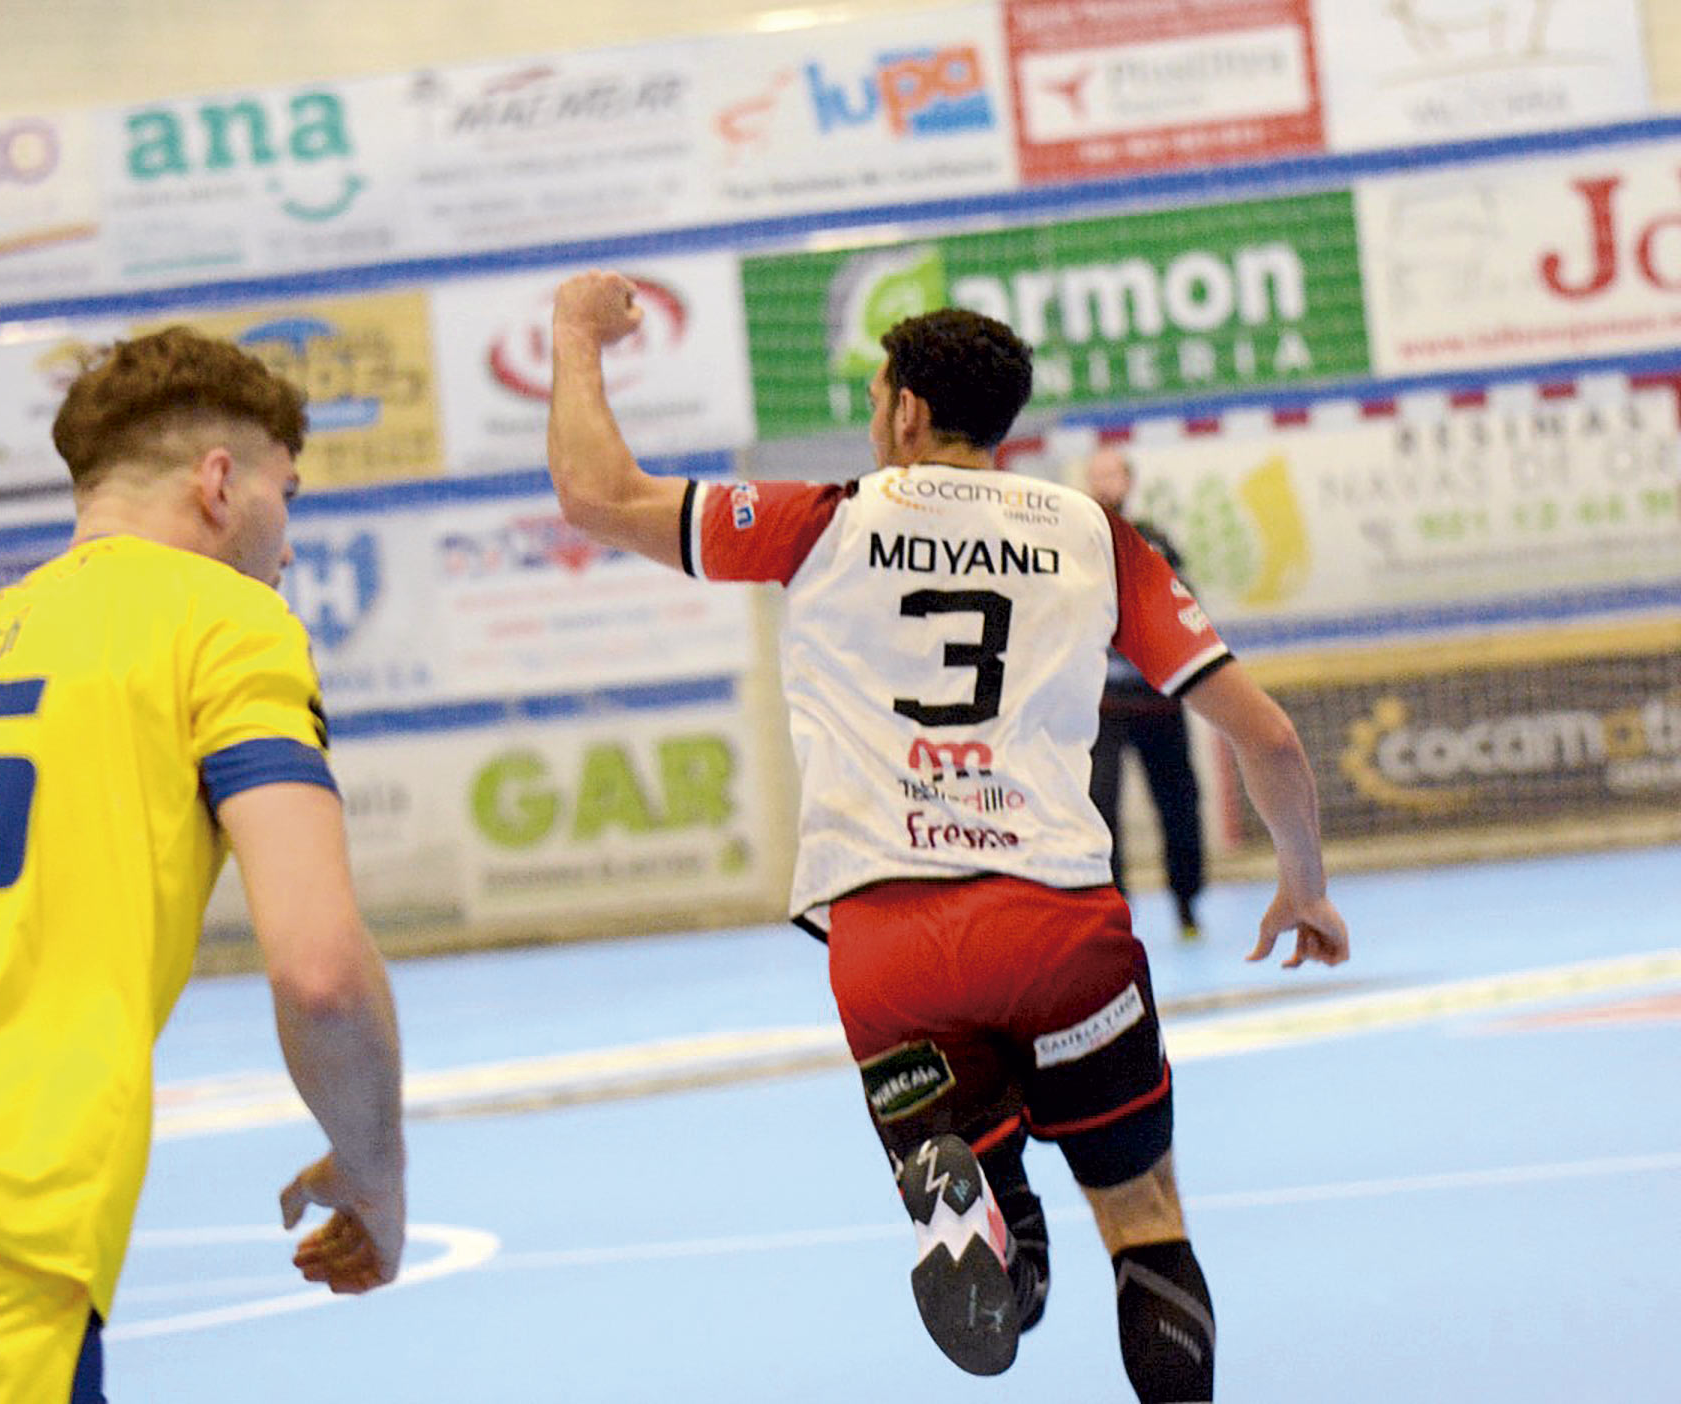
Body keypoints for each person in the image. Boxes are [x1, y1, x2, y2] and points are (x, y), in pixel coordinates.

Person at [545, 271, 1348, 1400]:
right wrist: (1302, 886)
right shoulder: (1093, 535)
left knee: (986, 1201)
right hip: (1057, 927)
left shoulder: (818, 521)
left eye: (879, 396)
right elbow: (1266, 739)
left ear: (907, 412)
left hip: (886, 950)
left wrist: (577, 334)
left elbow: (592, 493)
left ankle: (978, 1213)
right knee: (1145, 1217)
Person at [0, 327, 406, 1402]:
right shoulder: (226, 618)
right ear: (218, 484)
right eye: (286, 496)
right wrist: (376, 1174)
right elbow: (322, 973)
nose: (288, 545)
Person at [1084, 446, 1208, 942]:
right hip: (1101, 708)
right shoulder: (1075, 545)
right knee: (1099, 810)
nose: (1103, 485)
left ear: (1128, 482)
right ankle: (1115, 913)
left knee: (1178, 800)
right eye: (1096, 477)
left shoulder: (1155, 543)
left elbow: (1180, 610)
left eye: (1111, 476)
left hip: (1157, 701)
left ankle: (1187, 902)